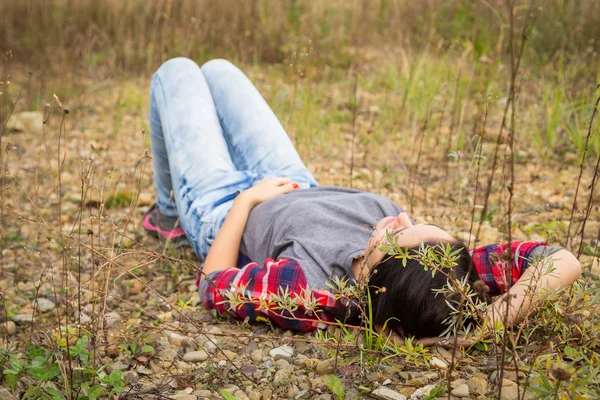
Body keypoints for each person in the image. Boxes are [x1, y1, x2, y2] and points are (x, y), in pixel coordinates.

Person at [143, 57, 582, 340]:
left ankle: (169, 216)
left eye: (398, 234)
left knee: (176, 72)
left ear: (376, 272)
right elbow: (560, 259)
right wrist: (484, 323)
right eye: (414, 223)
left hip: (223, 209)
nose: (401, 218)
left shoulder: (310, 288)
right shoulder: (439, 271)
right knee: (219, 70)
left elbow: (213, 284)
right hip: (295, 182)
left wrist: (243, 203)